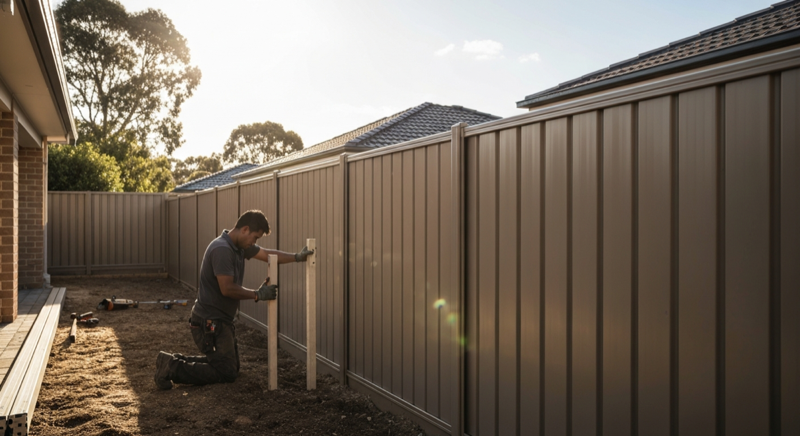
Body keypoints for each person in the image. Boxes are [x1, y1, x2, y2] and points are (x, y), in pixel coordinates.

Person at [154, 210, 313, 389]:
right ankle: (172, 368)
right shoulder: (222, 249)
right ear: (245, 229)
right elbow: (227, 288)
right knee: (226, 372)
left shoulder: (239, 247)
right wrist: (257, 294)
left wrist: (297, 257)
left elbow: (269, 255)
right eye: (255, 237)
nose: (255, 242)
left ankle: (170, 362)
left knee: (231, 366)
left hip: (220, 321)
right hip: (209, 323)